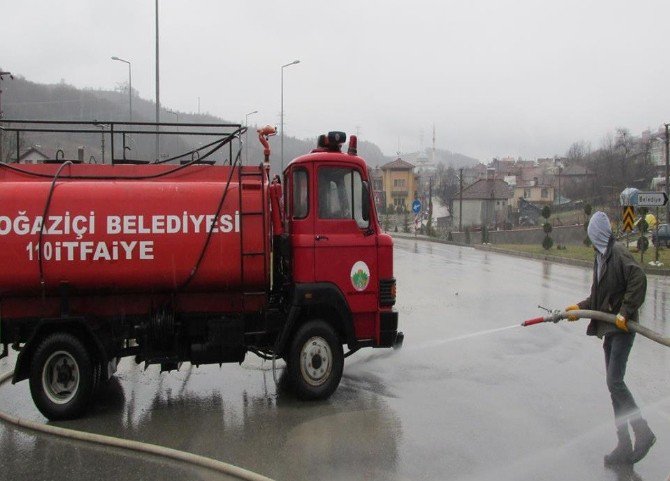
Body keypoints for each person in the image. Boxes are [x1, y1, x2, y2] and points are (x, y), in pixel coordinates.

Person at [565, 211, 655, 465]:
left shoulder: (618, 254)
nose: (591, 240)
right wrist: (577, 309)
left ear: (598, 234)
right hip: (609, 329)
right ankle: (624, 445)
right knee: (613, 385)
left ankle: (643, 432)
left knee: (615, 382)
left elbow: (639, 278)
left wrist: (625, 312)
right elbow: (597, 299)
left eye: (592, 235)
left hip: (621, 329)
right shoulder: (601, 257)